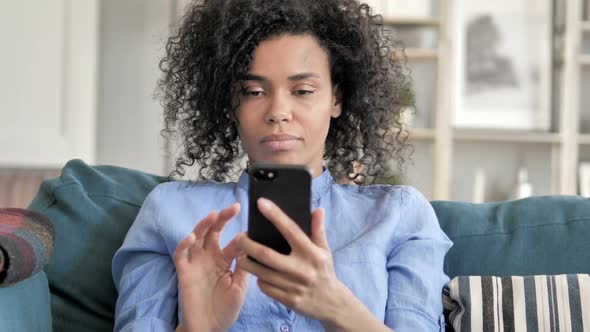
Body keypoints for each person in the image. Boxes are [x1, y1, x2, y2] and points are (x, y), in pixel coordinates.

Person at [112, 0, 452, 331]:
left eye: (302, 90)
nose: (278, 111)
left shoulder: (400, 215)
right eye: (253, 91)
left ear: (336, 98)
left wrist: (336, 307)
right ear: (231, 103)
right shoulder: (170, 211)